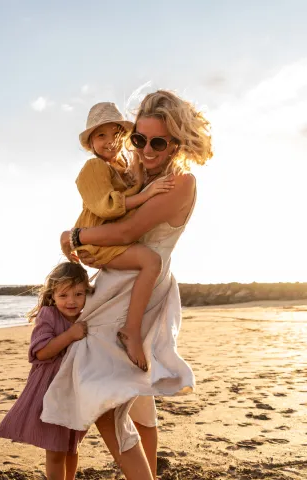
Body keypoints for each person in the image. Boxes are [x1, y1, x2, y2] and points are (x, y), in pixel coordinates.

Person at [42, 90, 213, 480]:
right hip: (115, 282)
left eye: (157, 142)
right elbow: (107, 205)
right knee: (132, 394)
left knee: (102, 393)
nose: (146, 149)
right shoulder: (137, 171)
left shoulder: (181, 182)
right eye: (139, 138)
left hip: (139, 291)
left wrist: (76, 236)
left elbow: (129, 230)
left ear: (177, 142)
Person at [71, 101, 175, 371]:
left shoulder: (121, 167)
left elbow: (138, 182)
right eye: (100, 135)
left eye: (114, 134)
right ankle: (131, 330)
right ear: (91, 142)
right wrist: (147, 194)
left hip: (113, 238)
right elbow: (106, 205)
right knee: (151, 261)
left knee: (149, 261)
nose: (108, 141)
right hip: (97, 240)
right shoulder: (93, 168)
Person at [0, 262, 92, 480]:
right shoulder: (48, 315)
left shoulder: (87, 317)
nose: (71, 301)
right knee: (56, 448)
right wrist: (70, 335)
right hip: (51, 390)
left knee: (71, 445)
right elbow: (41, 353)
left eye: (78, 294)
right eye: (64, 295)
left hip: (76, 390)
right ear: (53, 295)